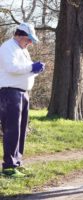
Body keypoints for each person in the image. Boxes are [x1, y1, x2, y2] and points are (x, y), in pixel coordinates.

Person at [0, 22, 45, 178]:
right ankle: (9, 166)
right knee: (12, 129)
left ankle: (17, 163)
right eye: (28, 39)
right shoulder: (8, 47)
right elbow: (11, 68)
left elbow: (24, 70)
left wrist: (35, 70)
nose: (30, 43)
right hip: (10, 93)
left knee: (21, 130)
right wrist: (31, 67)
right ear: (19, 35)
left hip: (22, 93)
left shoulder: (23, 50)